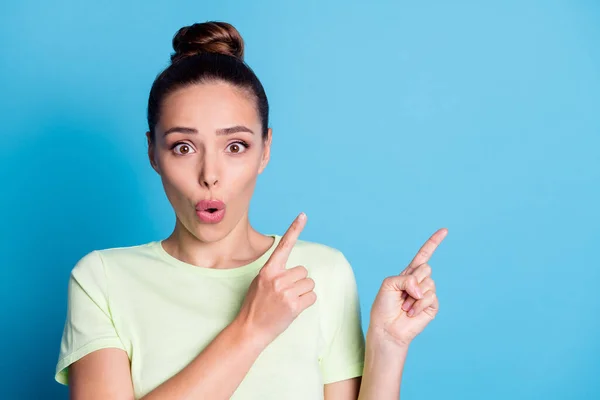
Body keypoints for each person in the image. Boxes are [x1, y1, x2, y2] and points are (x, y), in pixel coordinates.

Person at [54, 21, 447, 400]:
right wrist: (252, 329)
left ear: (266, 149)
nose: (210, 175)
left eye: (235, 146)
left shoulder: (321, 274)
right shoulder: (102, 280)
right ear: (153, 153)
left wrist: (388, 344)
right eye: (183, 147)